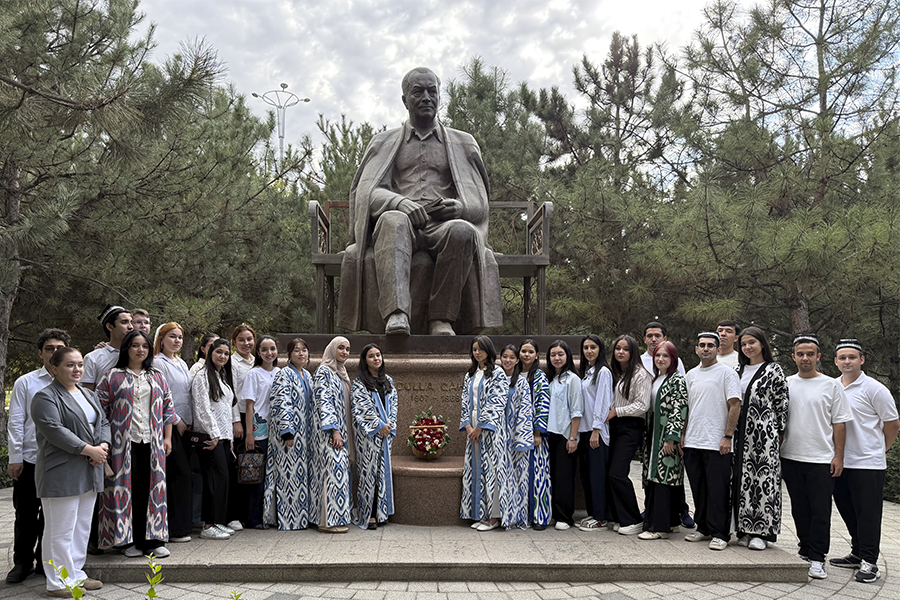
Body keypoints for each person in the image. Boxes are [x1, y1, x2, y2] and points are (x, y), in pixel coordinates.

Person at [337, 66, 501, 336]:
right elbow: (367, 193)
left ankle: (442, 319)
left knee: (462, 230)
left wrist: (459, 207)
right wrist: (399, 203)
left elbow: (480, 202)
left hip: (442, 226)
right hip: (401, 226)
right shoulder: (385, 141)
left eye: (432, 91)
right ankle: (397, 314)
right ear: (405, 100)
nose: (426, 97)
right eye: (418, 91)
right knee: (393, 221)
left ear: (439, 97)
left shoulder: (463, 143)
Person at [32, 348, 110, 597]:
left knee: (81, 527)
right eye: (69, 365)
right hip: (62, 471)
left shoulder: (89, 394)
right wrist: (89, 450)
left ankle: (76, 574)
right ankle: (57, 582)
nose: (76, 369)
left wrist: (104, 446)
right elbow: (54, 430)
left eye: (79, 365)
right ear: (54, 368)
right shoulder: (45, 397)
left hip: (90, 468)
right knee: (60, 529)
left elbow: (104, 422)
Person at [96, 330, 177, 558]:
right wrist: (105, 443)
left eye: (144, 346)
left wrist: (168, 438)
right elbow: (100, 412)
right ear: (126, 349)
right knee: (125, 491)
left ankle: (152, 540)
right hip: (123, 444)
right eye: (135, 345)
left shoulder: (157, 376)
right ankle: (126, 541)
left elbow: (169, 409)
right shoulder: (112, 376)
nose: (140, 350)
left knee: (151, 490)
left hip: (153, 443)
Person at [781, 333, 853, 580]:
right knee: (799, 509)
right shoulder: (786, 383)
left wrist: (839, 456)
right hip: (790, 456)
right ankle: (804, 549)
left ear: (819, 357)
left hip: (821, 459)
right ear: (793, 357)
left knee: (820, 511)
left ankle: (817, 557)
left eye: (810, 354)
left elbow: (840, 424)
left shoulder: (831, 385)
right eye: (800, 354)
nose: (805, 358)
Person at [829, 339, 899, 583]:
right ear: (836, 361)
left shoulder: (874, 388)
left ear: (862, 360)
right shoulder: (833, 386)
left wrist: (881, 450)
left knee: (868, 514)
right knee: (848, 511)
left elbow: (892, 424)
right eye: (843, 357)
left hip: (867, 463)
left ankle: (870, 562)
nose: (847, 361)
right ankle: (857, 553)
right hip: (840, 462)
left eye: (852, 357)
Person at [6, 328, 69, 584]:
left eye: (59, 348)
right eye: (49, 348)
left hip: (61, 460)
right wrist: (15, 457)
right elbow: (17, 421)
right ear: (40, 353)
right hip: (31, 459)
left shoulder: (71, 380)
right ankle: (22, 563)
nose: (54, 352)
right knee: (25, 514)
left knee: (54, 517)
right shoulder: (26, 382)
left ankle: (46, 563)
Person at [682, 332, 741, 551]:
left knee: (718, 489)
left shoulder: (727, 373)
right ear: (696, 349)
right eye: (702, 345)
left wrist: (727, 436)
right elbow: (687, 408)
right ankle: (704, 528)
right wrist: (683, 435)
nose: (706, 349)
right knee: (698, 489)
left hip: (718, 443)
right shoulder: (691, 375)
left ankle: (720, 533)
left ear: (717, 349)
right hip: (693, 441)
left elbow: (735, 405)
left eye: (710, 345)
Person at [732, 326, 789, 552]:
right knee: (742, 480)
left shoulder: (774, 370)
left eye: (752, 343)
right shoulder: (738, 370)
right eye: (744, 344)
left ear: (763, 344)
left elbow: (782, 403)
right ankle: (744, 530)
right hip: (738, 434)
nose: (747, 347)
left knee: (762, 480)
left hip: (763, 435)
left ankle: (762, 533)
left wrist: (778, 433)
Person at [264, 337, 317, 530]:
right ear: (289, 355)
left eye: (304, 350)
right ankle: (289, 519)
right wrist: (287, 432)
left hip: (305, 436)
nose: (301, 353)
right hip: (288, 436)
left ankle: (303, 516)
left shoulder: (308, 375)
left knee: (301, 476)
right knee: (288, 476)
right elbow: (281, 403)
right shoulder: (284, 374)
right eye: (296, 350)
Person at [191, 338, 240, 540]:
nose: (222, 356)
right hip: (210, 437)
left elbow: (225, 411)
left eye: (226, 353)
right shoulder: (202, 375)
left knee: (222, 479)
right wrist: (213, 434)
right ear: (209, 352)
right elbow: (202, 408)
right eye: (218, 352)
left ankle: (217, 521)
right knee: (212, 480)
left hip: (223, 437)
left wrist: (227, 438)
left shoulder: (223, 377)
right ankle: (208, 524)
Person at [640, 342, 688, 540]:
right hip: (653, 435)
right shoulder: (657, 378)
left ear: (673, 359)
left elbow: (680, 408)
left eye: (665, 356)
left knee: (664, 478)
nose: (660, 359)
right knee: (656, 479)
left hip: (666, 437)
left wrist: (672, 438)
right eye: (658, 355)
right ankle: (672, 521)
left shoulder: (676, 379)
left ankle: (659, 527)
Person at [460, 336, 508, 531]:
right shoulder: (470, 374)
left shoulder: (497, 373)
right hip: (473, 427)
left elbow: (498, 401)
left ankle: (494, 517)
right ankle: (479, 512)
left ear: (489, 350)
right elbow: (464, 400)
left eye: (480, 349)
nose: (477, 353)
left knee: (492, 469)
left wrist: (481, 426)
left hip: (491, 428)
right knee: (476, 468)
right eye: (474, 349)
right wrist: (469, 427)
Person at [607, 335, 653, 536]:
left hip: (631, 427)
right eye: (618, 348)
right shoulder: (618, 372)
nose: (621, 352)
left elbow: (642, 405)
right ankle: (620, 516)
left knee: (617, 473)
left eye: (625, 349)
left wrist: (617, 411)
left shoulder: (640, 374)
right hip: (615, 426)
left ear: (633, 352)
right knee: (613, 472)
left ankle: (633, 519)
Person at [152, 323, 194, 543]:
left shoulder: (181, 362)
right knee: (178, 476)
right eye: (172, 336)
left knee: (182, 477)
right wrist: (176, 420)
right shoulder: (159, 362)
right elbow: (163, 396)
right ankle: (173, 529)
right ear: (161, 338)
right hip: (169, 425)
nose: (177, 341)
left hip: (185, 426)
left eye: (179, 337)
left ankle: (180, 526)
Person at [351, 343, 399, 529]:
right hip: (368, 436)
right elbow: (361, 408)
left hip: (386, 435)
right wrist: (379, 426)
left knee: (382, 473)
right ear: (364, 361)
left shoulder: (388, 381)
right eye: (371, 356)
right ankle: (368, 515)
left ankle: (381, 512)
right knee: (368, 474)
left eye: (378, 355)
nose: (376, 358)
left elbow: (394, 406)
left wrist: (389, 426)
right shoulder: (359, 383)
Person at [313, 336, 354, 534]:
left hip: (342, 433)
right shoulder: (324, 371)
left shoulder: (342, 373)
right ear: (332, 349)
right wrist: (334, 430)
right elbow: (324, 402)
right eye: (341, 348)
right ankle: (327, 522)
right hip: (330, 433)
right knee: (332, 473)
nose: (345, 352)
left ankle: (337, 517)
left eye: (347, 349)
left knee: (338, 473)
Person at [241, 335, 281, 529]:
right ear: (258, 353)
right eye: (264, 349)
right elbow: (250, 405)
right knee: (256, 474)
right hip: (260, 430)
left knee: (273, 475)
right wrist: (250, 434)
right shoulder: (254, 374)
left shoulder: (281, 373)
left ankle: (270, 515)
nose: (269, 353)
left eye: (272, 348)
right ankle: (253, 517)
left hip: (278, 431)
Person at [545, 340, 583, 531]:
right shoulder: (552, 379)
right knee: (553, 474)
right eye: (553, 355)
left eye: (560, 354)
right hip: (550, 434)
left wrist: (573, 437)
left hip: (566, 434)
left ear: (567, 356)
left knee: (564, 477)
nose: (557, 358)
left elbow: (577, 411)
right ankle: (555, 512)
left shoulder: (572, 380)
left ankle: (565, 516)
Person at [576, 334, 612, 533]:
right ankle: (592, 513)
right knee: (588, 475)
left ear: (600, 349)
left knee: (598, 476)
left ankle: (601, 517)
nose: (589, 351)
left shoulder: (603, 372)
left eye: (593, 347)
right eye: (586, 347)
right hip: (584, 430)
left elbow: (602, 402)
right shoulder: (587, 373)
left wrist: (596, 430)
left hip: (596, 431)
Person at [498, 344, 533, 530]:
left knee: (516, 478)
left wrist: (520, 438)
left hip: (514, 438)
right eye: (505, 356)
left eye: (512, 357)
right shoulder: (495, 379)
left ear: (517, 360)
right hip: (496, 437)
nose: (508, 360)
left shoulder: (520, 383)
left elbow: (525, 412)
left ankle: (514, 516)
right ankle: (499, 515)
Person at [518, 339, 552, 530]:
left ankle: (540, 517)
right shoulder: (514, 374)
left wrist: (537, 432)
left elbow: (542, 406)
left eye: (530, 352)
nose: (526, 355)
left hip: (534, 435)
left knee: (537, 476)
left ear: (537, 355)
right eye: (523, 351)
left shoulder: (539, 376)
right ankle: (523, 515)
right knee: (521, 476)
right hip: (517, 435)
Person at [227, 323, 256, 531]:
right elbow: (233, 395)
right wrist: (236, 421)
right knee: (239, 468)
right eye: (242, 340)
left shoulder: (257, 361)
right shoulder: (233, 363)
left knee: (255, 466)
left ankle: (251, 513)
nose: (246, 343)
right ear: (234, 342)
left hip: (257, 419)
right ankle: (234, 514)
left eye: (249, 339)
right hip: (241, 417)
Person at [82, 305, 133, 391]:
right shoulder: (93, 358)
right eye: (124, 322)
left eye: (131, 322)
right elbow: (87, 393)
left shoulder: (137, 355)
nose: (130, 327)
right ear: (109, 326)